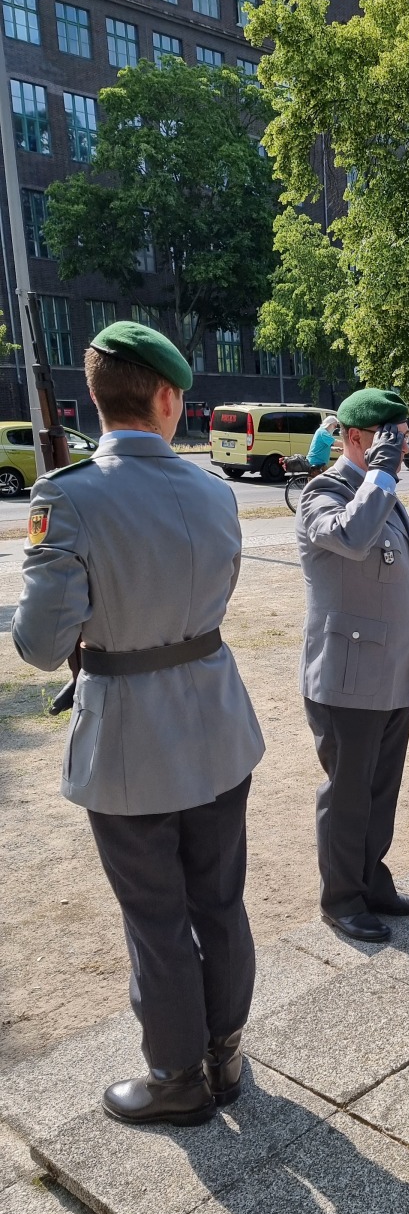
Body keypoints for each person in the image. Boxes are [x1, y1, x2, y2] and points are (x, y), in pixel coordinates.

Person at [12, 322, 265, 1127]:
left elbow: (42, 648)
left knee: (156, 917)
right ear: (165, 397)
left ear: (97, 397)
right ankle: (224, 1056)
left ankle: (176, 1077)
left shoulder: (68, 494)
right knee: (219, 901)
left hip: (130, 742)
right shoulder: (216, 490)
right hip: (217, 723)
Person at [296, 387, 409, 943]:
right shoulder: (322, 493)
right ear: (356, 439)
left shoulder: (385, 493)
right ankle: (342, 899)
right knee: (348, 795)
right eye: (389, 440)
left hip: (393, 669)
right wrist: (378, 474)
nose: (400, 450)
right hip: (348, 675)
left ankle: (373, 880)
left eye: (402, 439)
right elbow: (351, 537)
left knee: (381, 790)